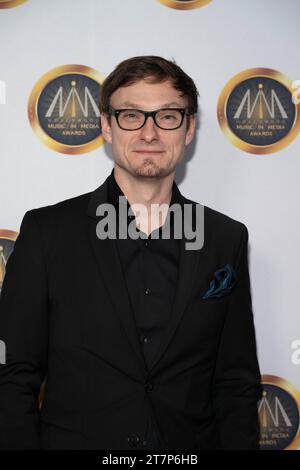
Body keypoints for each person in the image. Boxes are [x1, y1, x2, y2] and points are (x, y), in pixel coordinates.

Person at [0, 56, 261, 450]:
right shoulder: (47, 232)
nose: (150, 133)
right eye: (131, 116)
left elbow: (235, 381)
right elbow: (14, 375)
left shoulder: (225, 238)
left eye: (167, 116)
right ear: (107, 125)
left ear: (189, 128)